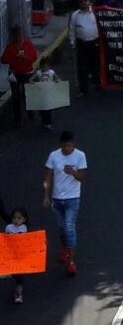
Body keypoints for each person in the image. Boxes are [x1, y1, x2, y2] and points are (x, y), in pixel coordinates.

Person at [43, 131, 88, 276]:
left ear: (73, 144)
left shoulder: (80, 156)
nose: (66, 149)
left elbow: (82, 177)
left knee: (69, 228)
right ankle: (66, 249)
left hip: (72, 198)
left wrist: (73, 172)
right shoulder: (53, 156)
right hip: (57, 198)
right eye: (64, 146)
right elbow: (48, 177)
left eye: (68, 146)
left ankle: (71, 262)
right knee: (62, 228)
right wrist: (46, 196)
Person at [2, 26, 38, 127]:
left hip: (26, 73)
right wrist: (14, 57)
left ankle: (30, 111)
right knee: (15, 96)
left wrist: (24, 57)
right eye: (16, 35)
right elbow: (3, 60)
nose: (18, 37)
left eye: (19, 34)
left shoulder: (28, 44)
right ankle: (17, 118)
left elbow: (34, 57)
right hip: (14, 74)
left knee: (27, 93)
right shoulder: (10, 46)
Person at [68, 0, 101, 98]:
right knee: (82, 67)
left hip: (95, 43)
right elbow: (72, 29)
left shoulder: (95, 12)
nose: (83, 3)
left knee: (96, 65)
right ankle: (83, 90)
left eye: (85, 0)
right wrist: (72, 42)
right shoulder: (75, 15)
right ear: (79, 3)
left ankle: (98, 84)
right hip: (81, 44)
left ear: (88, 1)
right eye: (81, 1)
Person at [5, 207, 29, 303]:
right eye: (14, 218)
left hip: (20, 255)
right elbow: (5, 239)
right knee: (15, 273)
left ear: (24, 219)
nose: (16, 220)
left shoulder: (24, 228)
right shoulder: (9, 227)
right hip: (11, 255)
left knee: (19, 275)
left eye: (19, 218)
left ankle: (19, 293)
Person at [30, 57, 58, 130]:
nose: (44, 68)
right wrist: (33, 82)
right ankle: (44, 121)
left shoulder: (51, 72)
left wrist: (56, 81)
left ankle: (48, 123)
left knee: (48, 109)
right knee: (42, 109)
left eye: (46, 67)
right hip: (41, 94)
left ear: (49, 66)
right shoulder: (38, 72)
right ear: (40, 66)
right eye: (43, 67)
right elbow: (30, 79)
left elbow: (57, 78)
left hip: (49, 93)